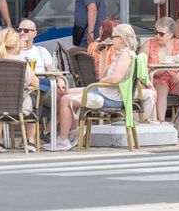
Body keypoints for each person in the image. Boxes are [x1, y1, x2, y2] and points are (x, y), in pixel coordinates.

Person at [49, 23, 141, 151]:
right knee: (64, 92)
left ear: (121, 39)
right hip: (104, 90)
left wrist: (103, 80)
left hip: (111, 96)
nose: (111, 39)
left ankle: (63, 139)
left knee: (66, 99)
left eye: (113, 36)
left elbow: (115, 79)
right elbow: (102, 75)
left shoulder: (125, 56)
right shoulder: (120, 54)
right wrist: (103, 55)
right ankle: (73, 132)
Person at [0, 28, 38, 153]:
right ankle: (30, 141)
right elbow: (36, 83)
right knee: (32, 97)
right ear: (15, 45)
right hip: (19, 108)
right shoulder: (21, 62)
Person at [140, 17, 179, 125]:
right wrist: (156, 72)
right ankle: (161, 122)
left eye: (161, 34)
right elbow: (140, 67)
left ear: (171, 34)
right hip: (154, 79)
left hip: (175, 79)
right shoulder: (148, 44)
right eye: (155, 32)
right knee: (162, 86)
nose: (157, 36)